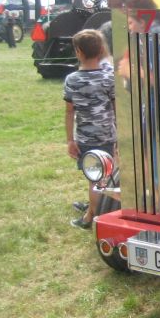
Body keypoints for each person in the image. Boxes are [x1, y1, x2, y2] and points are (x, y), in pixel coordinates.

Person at [64, 29, 116, 229]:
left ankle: (91, 215)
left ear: (78, 52)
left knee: (94, 178)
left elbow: (69, 112)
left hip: (85, 139)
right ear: (102, 49)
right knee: (103, 176)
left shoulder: (72, 80)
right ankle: (96, 205)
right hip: (107, 136)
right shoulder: (108, 77)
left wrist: (70, 140)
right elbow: (116, 106)